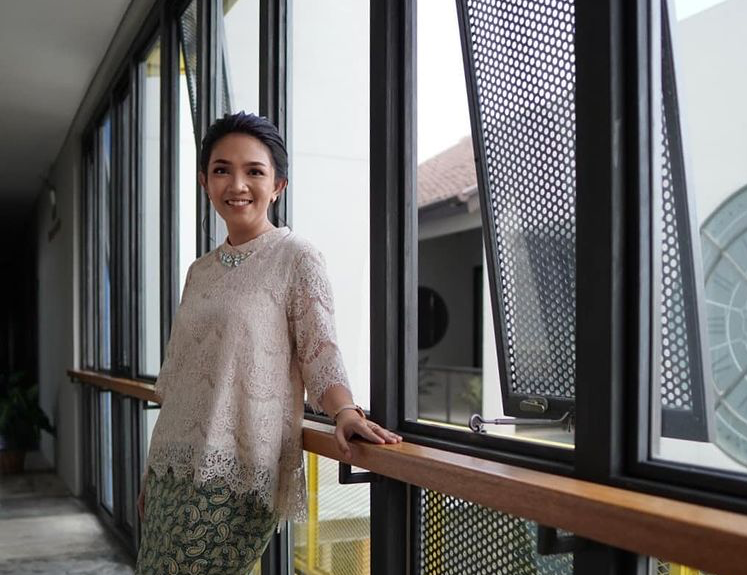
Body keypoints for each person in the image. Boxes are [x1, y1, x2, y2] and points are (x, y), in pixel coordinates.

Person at [134, 112, 402, 575]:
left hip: (238, 471)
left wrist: (345, 411)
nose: (237, 184)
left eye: (254, 171)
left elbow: (320, 350)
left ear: (277, 185)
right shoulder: (199, 272)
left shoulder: (296, 257)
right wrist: (152, 471)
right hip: (171, 465)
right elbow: (179, 376)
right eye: (222, 170)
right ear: (205, 182)